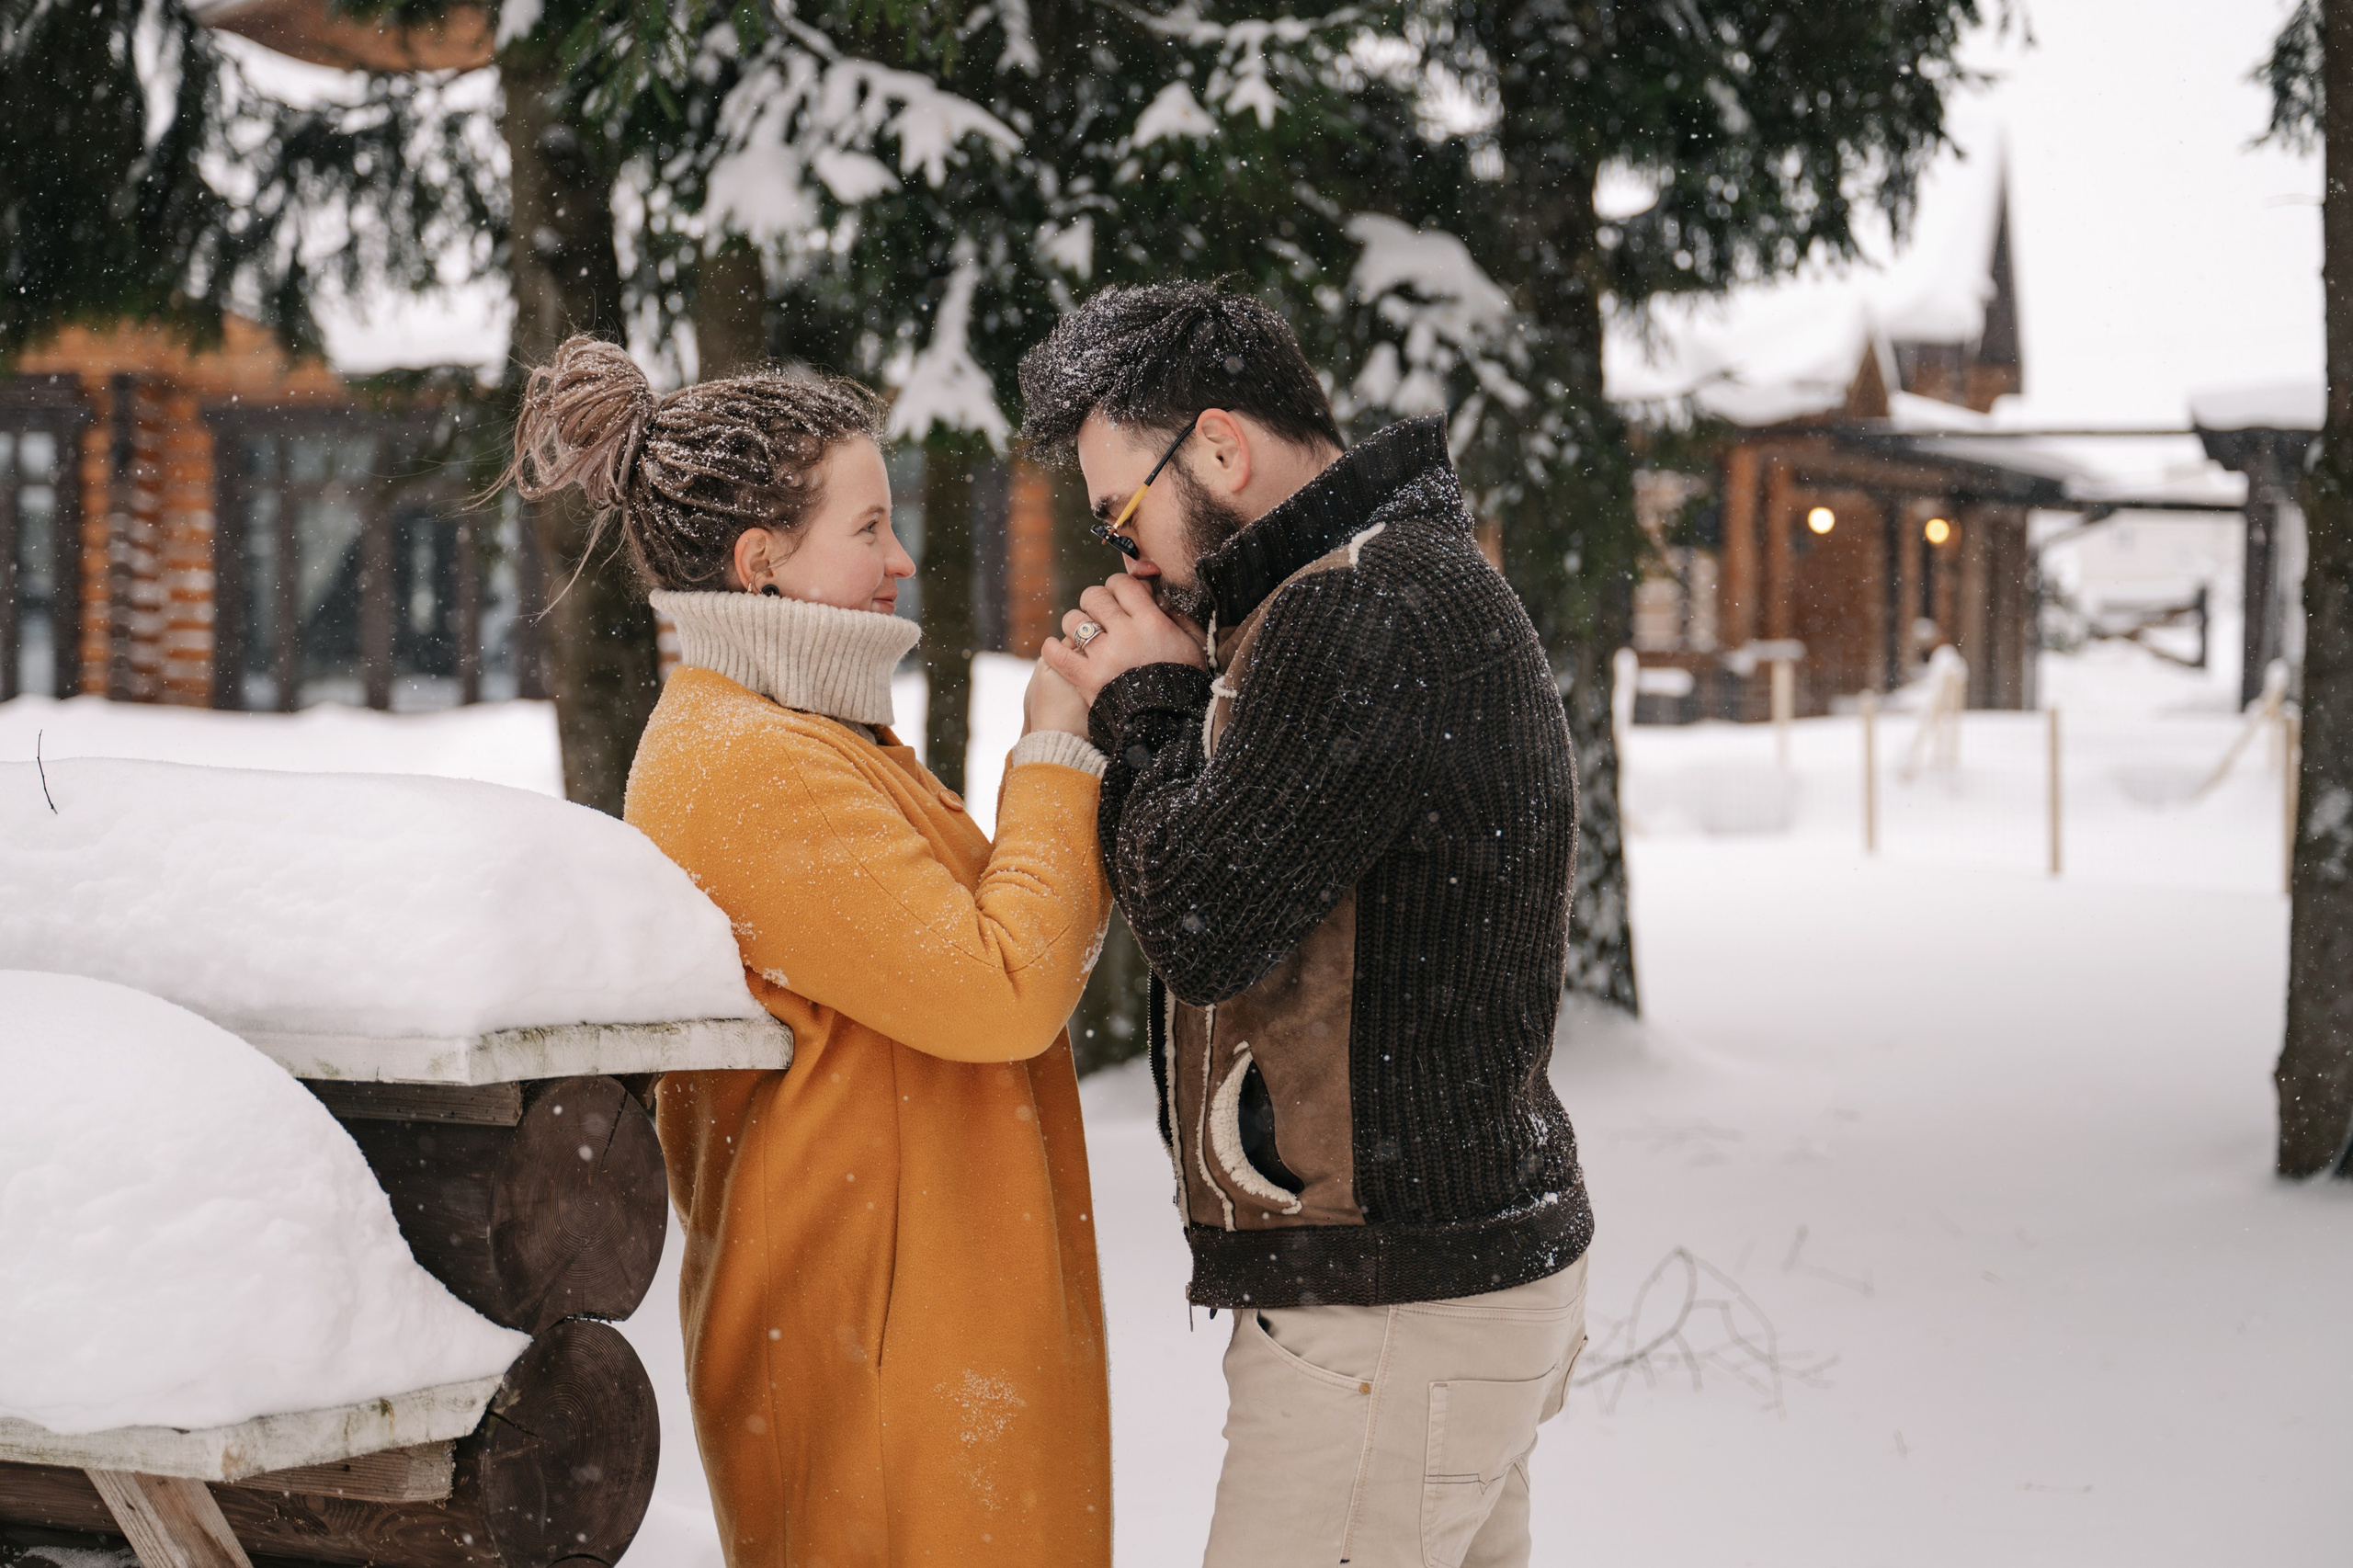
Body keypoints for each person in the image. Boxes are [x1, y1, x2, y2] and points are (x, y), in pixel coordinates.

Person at [505, 336, 1114, 1568]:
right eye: (869, 526)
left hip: (922, 1344)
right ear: (761, 563)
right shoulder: (746, 765)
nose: (902, 560)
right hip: (877, 1373)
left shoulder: (814, 739)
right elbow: (1003, 988)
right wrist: (1056, 748)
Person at [1019, 284, 1595, 1568]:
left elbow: (1202, 920)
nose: (1128, 558)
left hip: (1392, 1309)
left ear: (1221, 449)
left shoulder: (1360, 610)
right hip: (1440, 1282)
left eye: (1124, 512)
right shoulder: (1377, 584)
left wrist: (1147, 700)